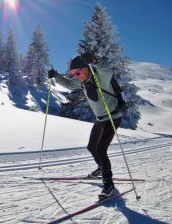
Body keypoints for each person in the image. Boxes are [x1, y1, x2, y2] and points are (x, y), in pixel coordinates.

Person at [48, 55, 122, 199]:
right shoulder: (82, 81)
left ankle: (109, 185)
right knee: (91, 147)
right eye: (73, 74)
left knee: (101, 149)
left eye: (78, 72)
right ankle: (101, 167)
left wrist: (95, 60)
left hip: (113, 118)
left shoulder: (100, 78)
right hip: (101, 119)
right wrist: (55, 75)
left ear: (86, 69)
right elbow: (69, 84)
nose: (76, 76)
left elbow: (107, 71)